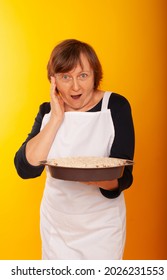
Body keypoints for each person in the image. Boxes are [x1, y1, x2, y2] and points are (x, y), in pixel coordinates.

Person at [14, 39, 135, 260]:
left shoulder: (115, 106)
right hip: (56, 224)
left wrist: (96, 176)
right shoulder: (47, 112)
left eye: (83, 76)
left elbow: (124, 177)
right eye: (65, 77)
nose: (75, 87)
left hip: (102, 227)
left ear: (94, 75)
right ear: (54, 81)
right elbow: (26, 169)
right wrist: (56, 118)